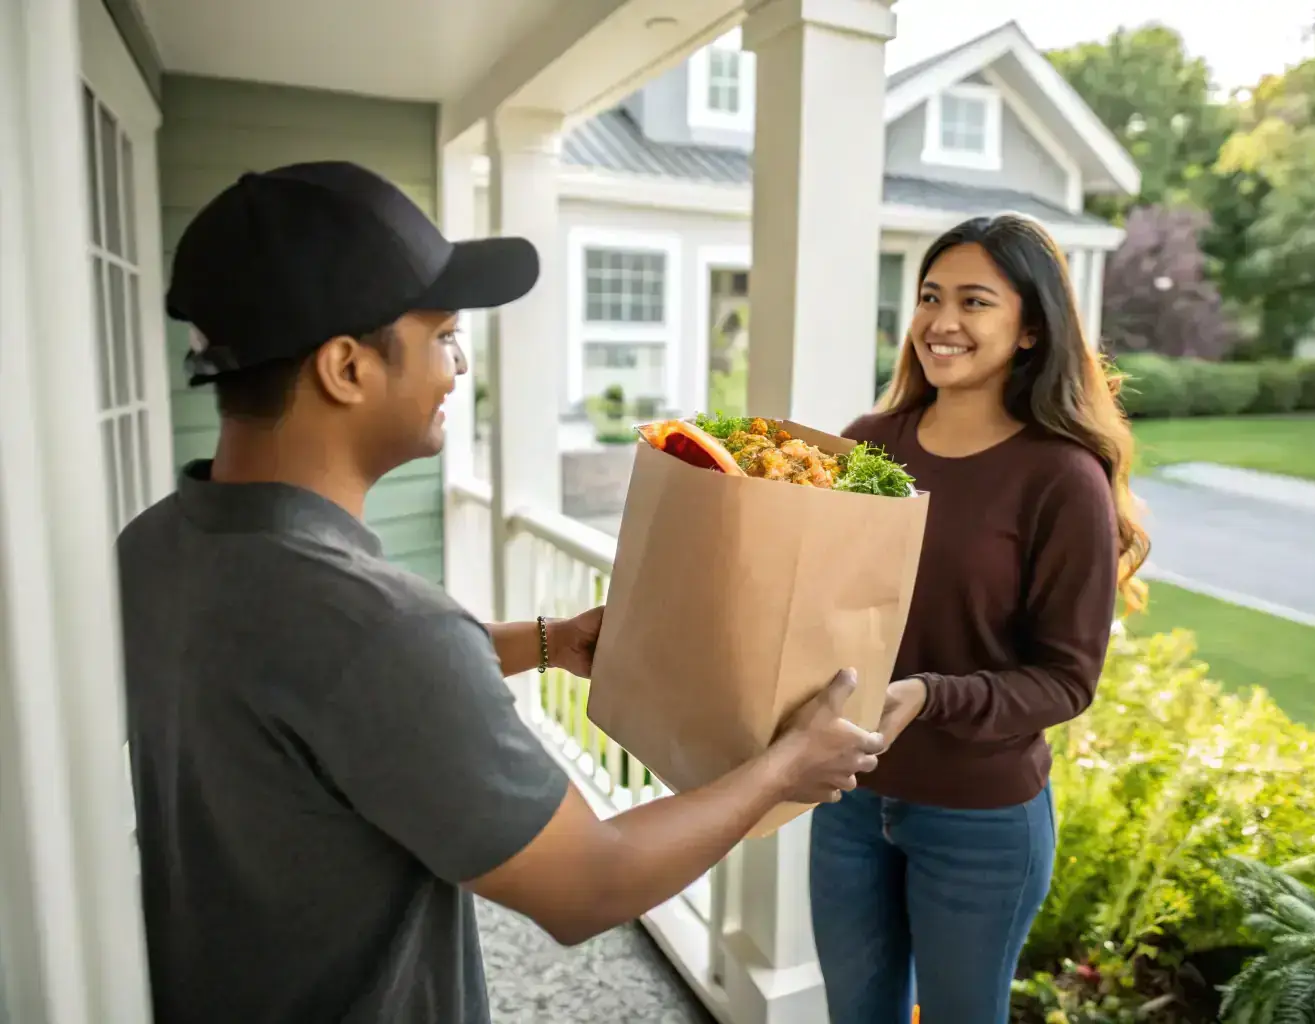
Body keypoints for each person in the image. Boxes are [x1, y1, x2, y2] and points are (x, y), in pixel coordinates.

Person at [117, 160, 890, 1024]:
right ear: (345, 368)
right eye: (444, 334)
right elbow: (588, 885)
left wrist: (550, 640)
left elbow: (315, 696)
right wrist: (788, 764)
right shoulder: (381, 630)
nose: (456, 366)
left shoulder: (151, 547)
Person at [809, 214, 1150, 1023]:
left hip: (980, 820)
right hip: (846, 798)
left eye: (974, 301)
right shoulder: (866, 446)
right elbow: (812, 598)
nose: (941, 322)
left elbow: (1066, 681)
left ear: (1030, 328)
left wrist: (930, 696)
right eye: (930, 297)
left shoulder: (1060, 477)